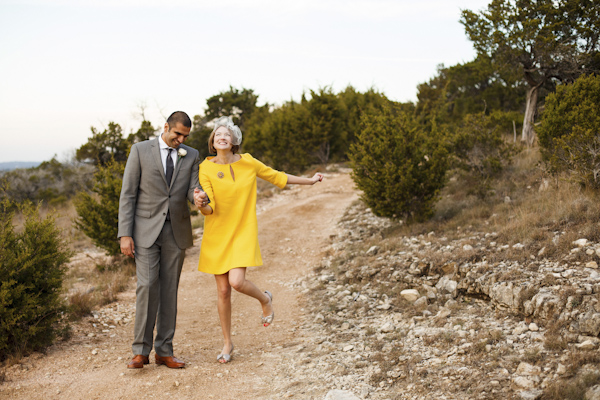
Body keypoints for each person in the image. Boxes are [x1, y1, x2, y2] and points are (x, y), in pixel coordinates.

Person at [193, 116, 323, 363]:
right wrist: (202, 204)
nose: (222, 137)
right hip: (216, 234)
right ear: (212, 140)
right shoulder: (205, 168)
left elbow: (277, 177)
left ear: (234, 141)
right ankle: (227, 343)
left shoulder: (249, 162)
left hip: (242, 231)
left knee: (237, 282)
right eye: (218, 134)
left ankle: (265, 299)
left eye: (227, 134)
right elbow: (209, 207)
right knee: (222, 292)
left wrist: (310, 181)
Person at [118, 111, 209, 369]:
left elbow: (194, 189)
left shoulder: (191, 155)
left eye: (185, 136)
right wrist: (125, 234)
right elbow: (128, 194)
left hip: (176, 231)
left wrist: (199, 198)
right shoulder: (139, 150)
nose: (180, 139)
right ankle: (140, 351)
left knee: (170, 291)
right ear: (166, 127)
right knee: (147, 287)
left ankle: (164, 351)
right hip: (144, 231)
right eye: (177, 133)